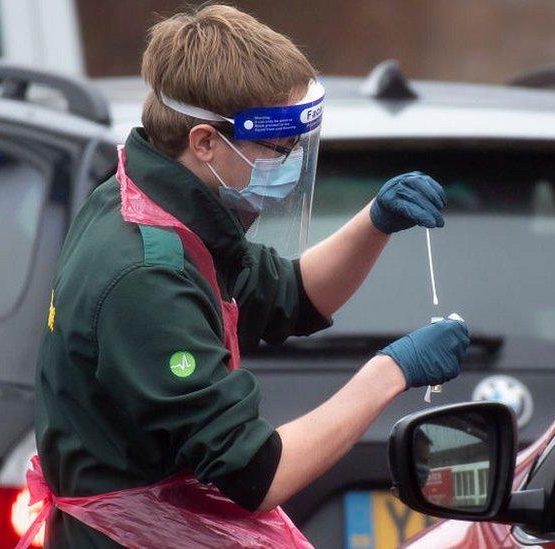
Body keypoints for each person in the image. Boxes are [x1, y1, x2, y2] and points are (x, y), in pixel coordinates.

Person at [26, 5, 469, 548]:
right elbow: (257, 473)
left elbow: (291, 296)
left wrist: (374, 222)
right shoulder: (145, 276)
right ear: (205, 142)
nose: (288, 162)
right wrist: (392, 371)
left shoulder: (160, 206)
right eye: (277, 149)